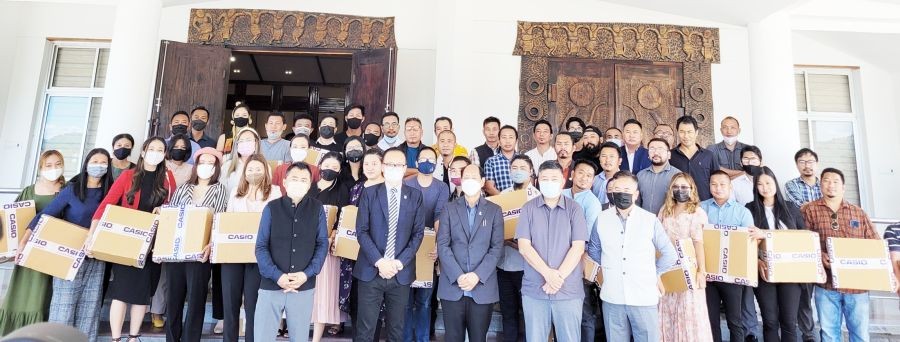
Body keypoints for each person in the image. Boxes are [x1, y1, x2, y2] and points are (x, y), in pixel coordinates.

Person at [90, 137, 176, 342]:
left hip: (152, 244)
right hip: (126, 241)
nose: (155, 152)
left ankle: (133, 336)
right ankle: (116, 338)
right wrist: (92, 234)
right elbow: (107, 204)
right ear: (143, 152)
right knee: (121, 293)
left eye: (160, 149)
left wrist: (164, 210)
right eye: (151, 148)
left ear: (164, 154)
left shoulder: (168, 178)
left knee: (142, 294)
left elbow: (173, 208)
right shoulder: (128, 175)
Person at [17, 150, 107, 342]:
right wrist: (24, 241)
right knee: (63, 309)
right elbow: (45, 214)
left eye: (103, 162)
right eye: (95, 161)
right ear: (86, 164)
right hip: (67, 255)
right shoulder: (72, 189)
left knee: (88, 311)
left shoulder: (109, 192)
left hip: (95, 257)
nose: (99, 165)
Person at [588, 171, 677, 342]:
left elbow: (669, 254)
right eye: (618, 189)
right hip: (612, 296)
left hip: (643, 295)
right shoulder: (602, 218)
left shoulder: (649, 220)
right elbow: (594, 249)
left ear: (636, 194)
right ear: (611, 193)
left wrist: (654, 273)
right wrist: (610, 265)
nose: (622, 193)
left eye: (627, 189)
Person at [353, 147, 427, 342]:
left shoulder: (415, 196)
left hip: (400, 272)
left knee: (397, 329)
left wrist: (398, 263)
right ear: (383, 167)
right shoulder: (369, 193)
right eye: (390, 164)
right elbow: (361, 230)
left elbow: (418, 233)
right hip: (371, 270)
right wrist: (380, 261)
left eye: (398, 165)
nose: (394, 168)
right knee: (365, 329)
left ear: (404, 169)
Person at [254, 161, 329, 342]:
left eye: (304, 180)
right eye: (294, 178)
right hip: (271, 284)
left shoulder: (317, 208)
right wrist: (277, 276)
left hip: (303, 285)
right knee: (263, 337)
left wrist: (306, 274)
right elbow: (261, 246)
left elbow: (322, 244)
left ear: (310, 184)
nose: (299, 182)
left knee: (300, 338)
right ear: (285, 182)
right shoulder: (271, 208)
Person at [801, 168, 879, 342]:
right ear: (820, 185)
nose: (831, 185)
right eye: (826, 180)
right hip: (826, 285)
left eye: (836, 181)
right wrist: (819, 255)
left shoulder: (858, 212)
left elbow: (875, 244)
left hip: (857, 286)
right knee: (829, 334)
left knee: (860, 335)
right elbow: (802, 241)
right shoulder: (810, 210)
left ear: (843, 187)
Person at [516, 160, 587, 342]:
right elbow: (524, 247)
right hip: (535, 290)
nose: (549, 182)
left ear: (563, 180)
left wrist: (557, 278)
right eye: (545, 178)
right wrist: (548, 274)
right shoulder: (528, 209)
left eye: (554, 178)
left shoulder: (574, 209)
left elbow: (578, 247)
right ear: (538, 180)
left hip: (568, 290)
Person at [165, 147, 228, 342]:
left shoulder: (220, 190)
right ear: (196, 165)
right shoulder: (184, 187)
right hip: (176, 251)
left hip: (201, 252)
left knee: (196, 300)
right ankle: (172, 338)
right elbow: (172, 215)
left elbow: (219, 219)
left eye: (210, 163)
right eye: (202, 162)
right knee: (173, 299)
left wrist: (211, 244)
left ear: (216, 167)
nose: (205, 166)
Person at [436, 163, 504, 342]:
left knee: (479, 338)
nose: (470, 181)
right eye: (466, 177)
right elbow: (443, 245)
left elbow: (496, 248)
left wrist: (477, 275)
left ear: (482, 181)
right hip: (453, 287)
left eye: (474, 177)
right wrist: (458, 275)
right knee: (452, 338)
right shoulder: (449, 209)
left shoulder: (494, 210)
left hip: (481, 288)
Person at [0, 150, 64, 334]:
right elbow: (12, 219)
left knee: (43, 295)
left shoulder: (68, 189)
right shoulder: (29, 190)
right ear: (41, 167)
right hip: (26, 251)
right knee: (21, 292)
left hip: (51, 253)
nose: (54, 168)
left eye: (58, 164)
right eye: (49, 165)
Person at [221, 154, 281, 342]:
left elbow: (277, 223)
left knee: (253, 306)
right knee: (230, 305)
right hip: (233, 255)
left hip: (260, 257)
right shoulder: (235, 194)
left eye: (258, 169)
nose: (254, 172)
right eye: (250, 169)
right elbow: (228, 220)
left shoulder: (275, 192)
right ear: (244, 172)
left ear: (265, 171)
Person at [746, 166, 805, 342]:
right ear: (755, 187)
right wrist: (756, 261)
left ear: (775, 183)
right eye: (760, 184)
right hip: (764, 273)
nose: (765, 187)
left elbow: (802, 237)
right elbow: (745, 242)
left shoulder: (790, 208)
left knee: (788, 321)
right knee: (770, 321)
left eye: (768, 182)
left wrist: (765, 234)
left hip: (790, 273)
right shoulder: (749, 209)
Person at [656, 172, 714, 342]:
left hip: (688, 268)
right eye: (675, 187)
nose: (679, 190)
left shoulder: (697, 212)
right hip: (667, 269)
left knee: (688, 311)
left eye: (683, 187)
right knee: (667, 309)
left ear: (691, 189)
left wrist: (701, 271)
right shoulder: (664, 210)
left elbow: (699, 242)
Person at [700, 170, 754, 342]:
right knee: (711, 319)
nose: (718, 188)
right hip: (708, 274)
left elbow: (749, 244)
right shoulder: (701, 208)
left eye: (723, 184)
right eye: (714, 184)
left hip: (733, 275)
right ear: (709, 186)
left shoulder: (742, 212)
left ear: (730, 187)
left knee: (735, 320)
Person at [403, 147, 449, 342]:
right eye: (423, 158)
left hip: (428, 249)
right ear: (417, 162)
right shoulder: (406, 183)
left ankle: (422, 338)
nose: (427, 162)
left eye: (431, 158)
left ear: (436, 162)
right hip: (405, 248)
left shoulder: (441, 187)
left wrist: (438, 246)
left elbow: (439, 217)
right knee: (405, 301)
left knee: (424, 301)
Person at [151, 134, 194, 329]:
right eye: (175, 146)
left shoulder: (191, 170)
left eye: (183, 146)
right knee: (162, 271)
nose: (179, 149)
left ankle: (172, 312)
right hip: (161, 219)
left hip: (185, 222)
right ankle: (156, 309)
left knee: (175, 272)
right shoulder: (162, 166)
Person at [310, 152, 352, 342]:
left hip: (327, 248)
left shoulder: (341, 189)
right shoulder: (309, 187)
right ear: (320, 165)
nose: (330, 170)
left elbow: (343, 217)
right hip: (304, 246)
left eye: (335, 168)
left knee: (323, 294)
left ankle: (316, 337)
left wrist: (333, 235)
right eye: (327, 165)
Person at [497, 155, 539, 342]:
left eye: (523, 167)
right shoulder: (502, 196)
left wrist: (513, 242)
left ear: (531, 171)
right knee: (508, 312)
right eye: (514, 167)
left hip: (527, 268)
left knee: (530, 314)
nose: (518, 170)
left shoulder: (538, 197)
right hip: (503, 265)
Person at [343, 149, 386, 334]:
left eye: (374, 163)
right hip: (354, 254)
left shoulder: (389, 188)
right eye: (366, 163)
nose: (369, 167)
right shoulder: (357, 188)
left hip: (380, 255)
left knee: (375, 306)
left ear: (383, 165)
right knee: (357, 302)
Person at [562, 159, 604, 342]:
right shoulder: (560, 194)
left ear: (593, 181)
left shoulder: (592, 202)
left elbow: (586, 236)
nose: (584, 178)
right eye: (581, 173)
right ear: (572, 174)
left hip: (580, 261)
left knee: (585, 311)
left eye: (589, 176)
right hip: (556, 261)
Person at [783, 148, 822, 342]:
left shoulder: (827, 183)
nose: (807, 165)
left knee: (828, 292)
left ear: (816, 163)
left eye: (810, 161)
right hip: (804, 243)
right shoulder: (791, 185)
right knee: (806, 293)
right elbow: (799, 208)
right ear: (797, 164)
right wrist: (823, 205)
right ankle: (809, 334)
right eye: (802, 161)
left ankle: (828, 331)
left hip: (826, 240)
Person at [671, 116, 719, 201]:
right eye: (682, 132)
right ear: (677, 132)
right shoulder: (670, 155)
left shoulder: (709, 155)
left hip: (704, 203)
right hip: (679, 204)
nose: (686, 136)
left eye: (690, 132)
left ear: (696, 132)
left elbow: (716, 180)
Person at [636, 138, 678, 215]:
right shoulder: (640, 175)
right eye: (652, 149)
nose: (655, 152)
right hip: (644, 222)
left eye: (660, 149)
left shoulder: (677, 175)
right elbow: (636, 202)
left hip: (667, 222)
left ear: (669, 154)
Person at [483, 125, 519, 195]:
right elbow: (489, 187)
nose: (507, 141)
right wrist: (505, 200)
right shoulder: (491, 162)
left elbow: (530, 183)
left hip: (523, 203)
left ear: (516, 140)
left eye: (511, 137)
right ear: (499, 140)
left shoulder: (524, 159)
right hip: (500, 203)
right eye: (504, 137)